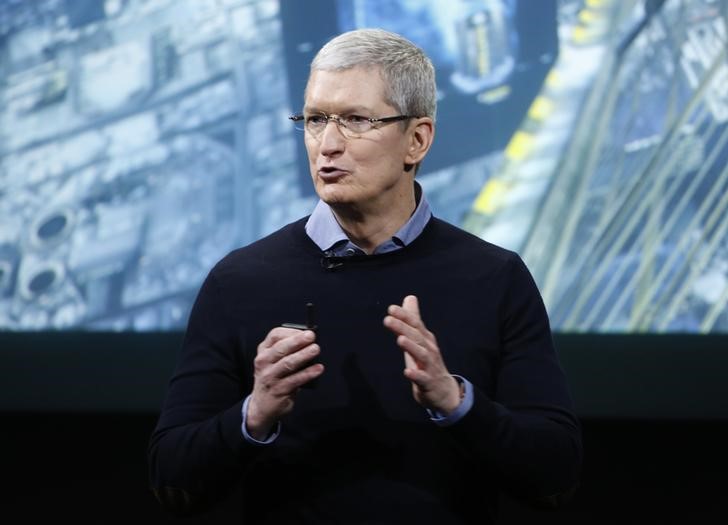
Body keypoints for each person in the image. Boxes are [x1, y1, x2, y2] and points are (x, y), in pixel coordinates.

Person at [148, 28, 582, 524]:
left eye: (355, 120)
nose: (327, 144)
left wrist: (457, 403)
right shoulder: (240, 281)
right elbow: (171, 481)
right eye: (314, 120)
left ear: (416, 140)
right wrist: (255, 412)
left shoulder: (495, 277)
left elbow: (556, 475)